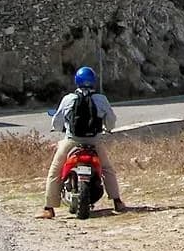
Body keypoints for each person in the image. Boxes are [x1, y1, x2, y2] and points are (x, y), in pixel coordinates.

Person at [38, 66, 127, 218]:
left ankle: (49, 208)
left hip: (72, 140)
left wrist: (59, 129)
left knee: (55, 170)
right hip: (94, 141)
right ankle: (117, 202)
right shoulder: (101, 99)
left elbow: (58, 121)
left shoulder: (68, 99)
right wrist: (107, 128)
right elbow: (111, 121)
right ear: (93, 81)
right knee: (107, 169)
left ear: (76, 81)